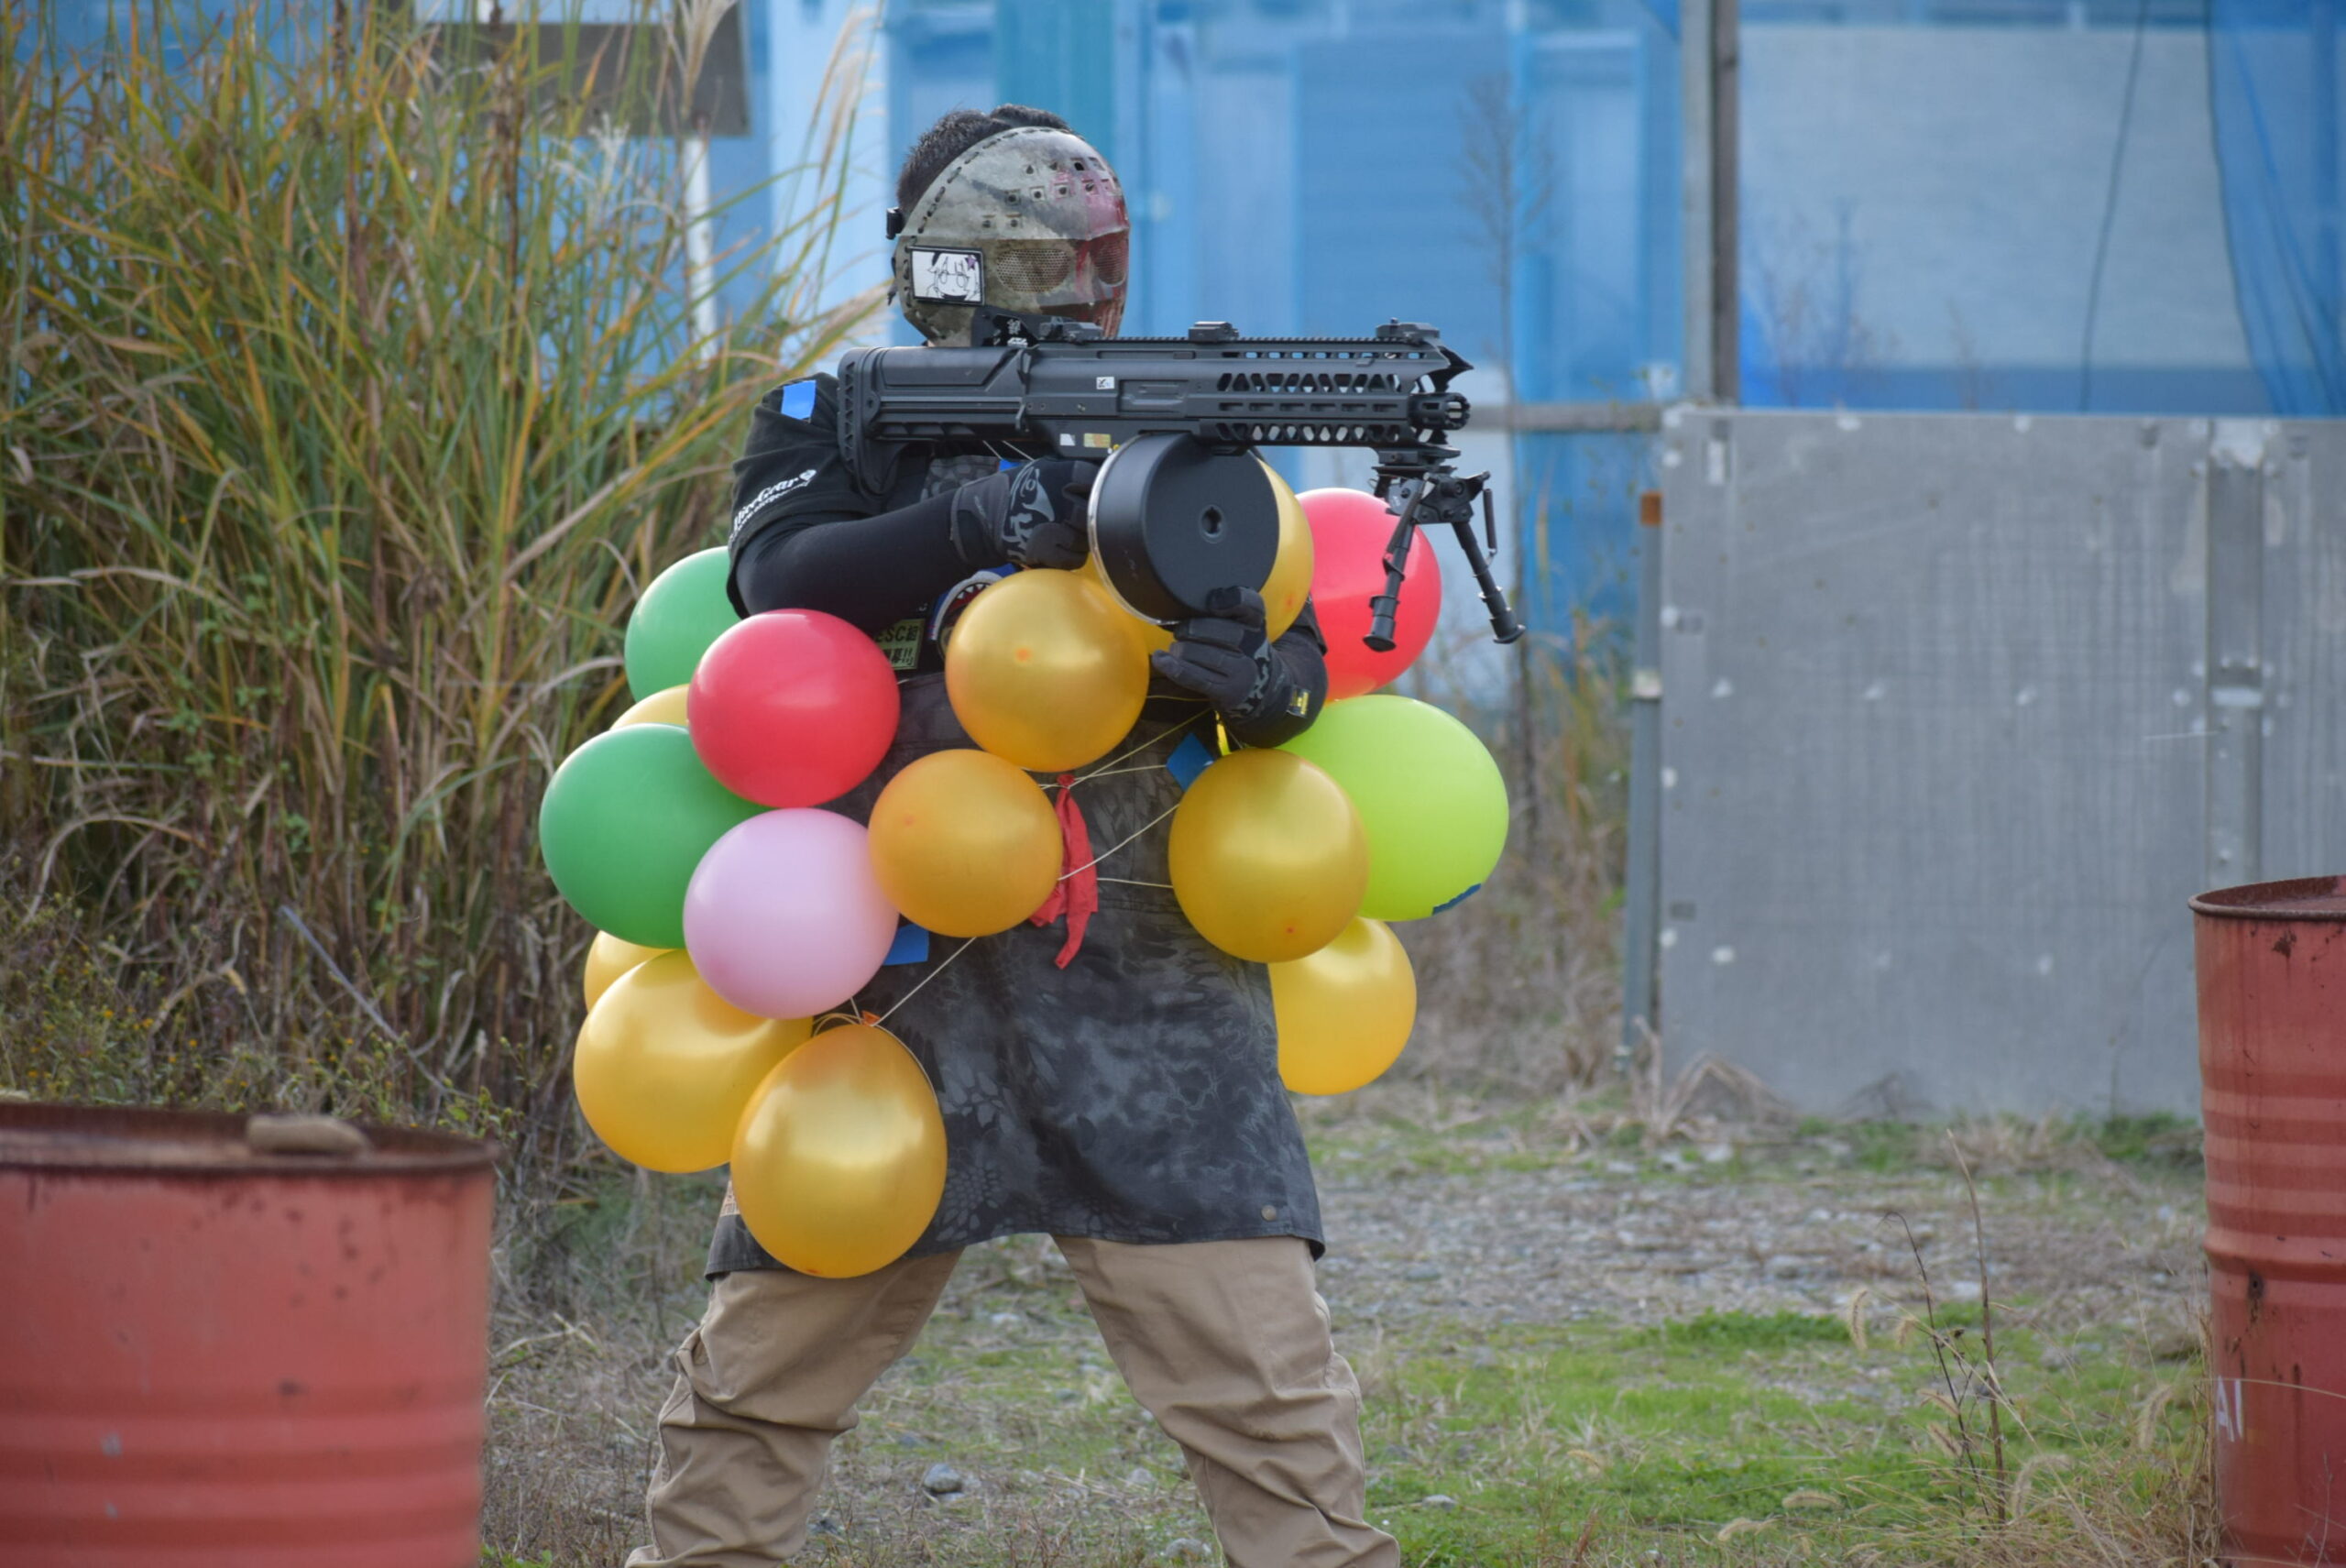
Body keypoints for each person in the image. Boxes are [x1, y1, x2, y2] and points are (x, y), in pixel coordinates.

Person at [626, 105, 1398, 1568]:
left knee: (1269, 1402)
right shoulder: (838, 414)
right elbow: (779, 578)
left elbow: (1293, 657)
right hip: (889, 967)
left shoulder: (1167, 422)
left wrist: (1259, 685)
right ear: (960, 265)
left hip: (1146, 978)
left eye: (1104, 259)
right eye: (1065, 260)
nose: (1096, 289)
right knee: (759, 1386)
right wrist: (990, 517)